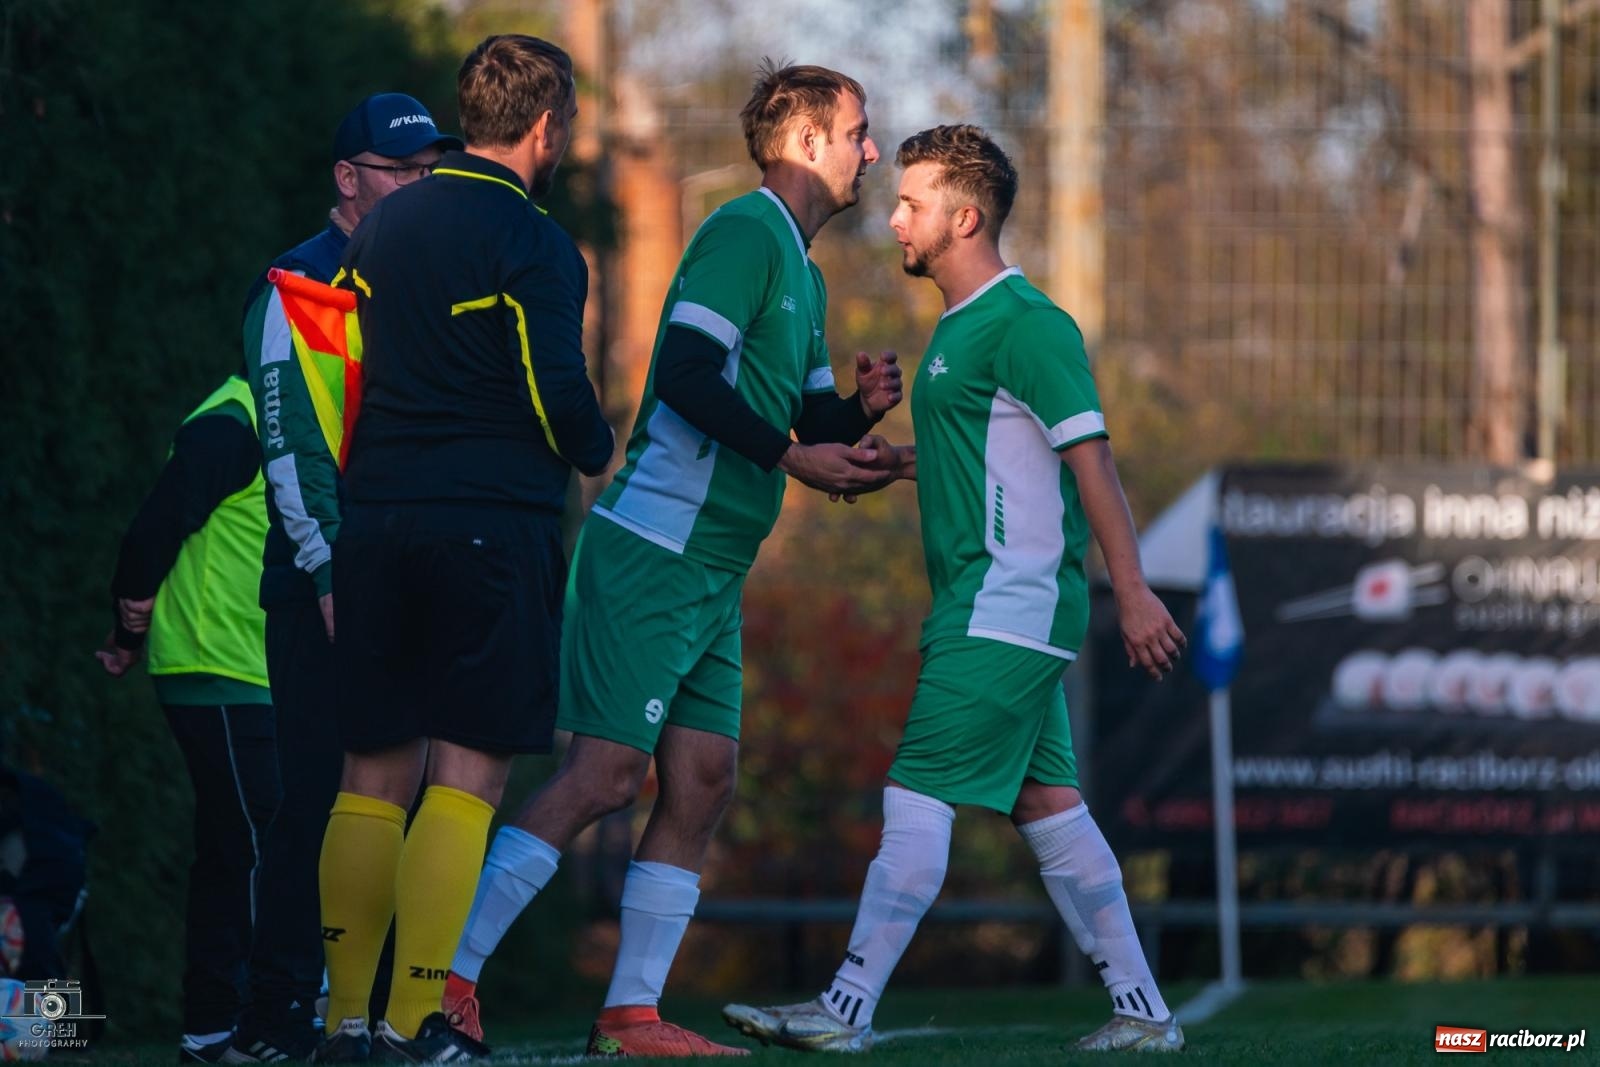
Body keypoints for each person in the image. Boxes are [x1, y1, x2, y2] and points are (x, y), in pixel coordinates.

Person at [440, 60, 901, 1059]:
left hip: (712, 567)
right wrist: (793, 451)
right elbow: (687, 376)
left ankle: (630, 1014)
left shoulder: (804, 270)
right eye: (860, 131)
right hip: (654, 549)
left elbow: (801, 415)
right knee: (606, 776)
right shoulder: (742, 234)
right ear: (808, 140)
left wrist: (855, 417)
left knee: (700, 780)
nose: (873, 150)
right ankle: (448, 981)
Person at [721, 125, 1190, 1054]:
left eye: (914, 202)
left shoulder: (1029, 325)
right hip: (993, 607)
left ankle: (845, 1006)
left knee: (917, 793)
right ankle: (1143, 1011)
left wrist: (1130, 592)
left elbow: (1089, 463)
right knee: (1049, 804)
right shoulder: (958, 330)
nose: (893, 217)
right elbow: (988, 463)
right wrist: (894, 460)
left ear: (964, 216)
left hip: (1003, 608)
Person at [313, 34, 615, 1063]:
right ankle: (411, 1021)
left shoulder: (381, 227)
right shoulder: (535, 242)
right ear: (546, 127)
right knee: (467, 775)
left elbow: (344, 372)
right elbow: (553, 390)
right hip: (489, 525)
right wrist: (594, 446)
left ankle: (342, 1015)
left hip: (377, 519)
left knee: (370, 772)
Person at [232, 93, 460, 1064]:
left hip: (408, 574)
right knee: (316, 799)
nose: (417, 184)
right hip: (323, 586)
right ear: (348, 178)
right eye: (398, 169)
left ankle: (376, 1012)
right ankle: (278, 1015)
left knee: (398, 797)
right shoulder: (299, 282)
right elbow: (290, 445)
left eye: (426, 169)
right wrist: (328, 573)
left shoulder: (423, 273)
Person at [97, 371, 279, 1063]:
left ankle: (216, 1026)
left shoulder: (279, 417)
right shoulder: (234, 420)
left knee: (240, 845)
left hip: (251, 671)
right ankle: (256, 1021)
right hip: (217, 668)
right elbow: (153, 527)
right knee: (256, 844)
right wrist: (128, 624)